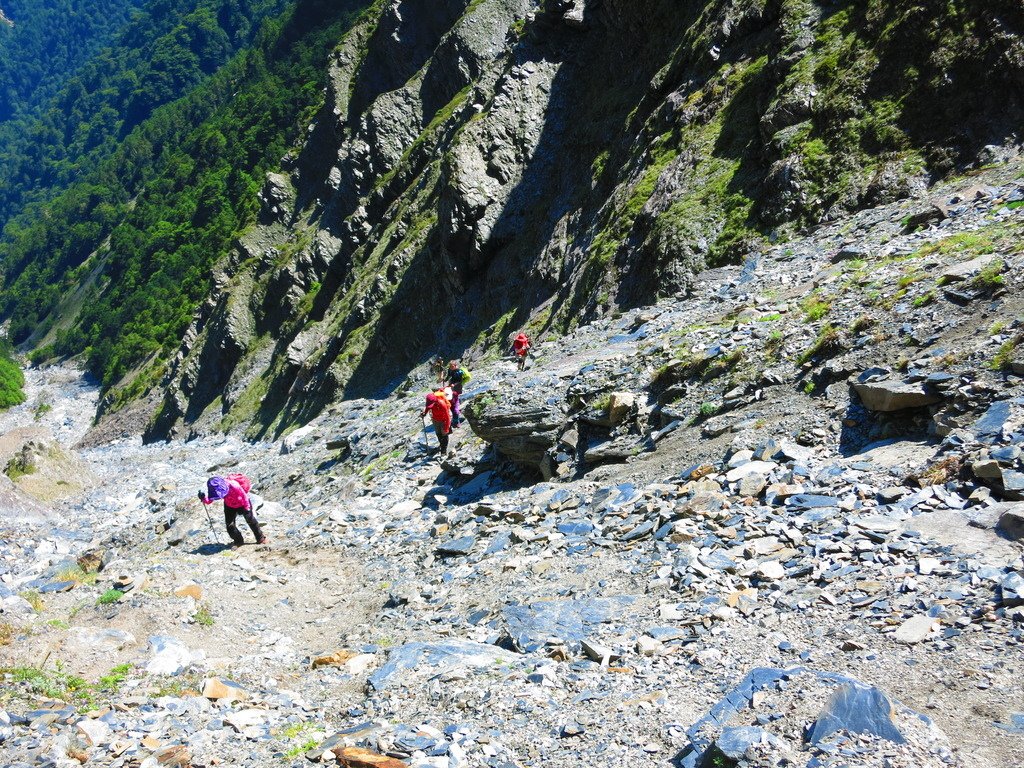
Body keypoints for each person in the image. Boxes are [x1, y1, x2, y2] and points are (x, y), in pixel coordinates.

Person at [199, 476, 266, 548]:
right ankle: (238, 541)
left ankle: (260, 538)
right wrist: (203, 498)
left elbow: (244, 497)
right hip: (229, 506)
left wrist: (247, 508)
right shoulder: (216, 489)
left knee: (250, 520)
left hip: (243, 504)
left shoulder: (234, 485)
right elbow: (210, 500)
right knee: (230, 526)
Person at [421, 388, 452, 454]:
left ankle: (443, 451)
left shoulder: (442, 404)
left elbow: (447, 417)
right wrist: (424, 413)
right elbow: (428, 407)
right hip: (435, 419)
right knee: (438, 433)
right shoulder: (431, 402)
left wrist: (446, 428)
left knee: (444, 434)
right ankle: (441, 445)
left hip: (444, 419)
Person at [445, 361, 471, 428]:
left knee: (454, 399)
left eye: (452, 366)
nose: (451, 368)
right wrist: (445, 380)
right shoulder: (450, 370)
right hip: (452, 386)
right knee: (453, 399)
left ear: (455, 365)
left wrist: (454, 385)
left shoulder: (459, 372)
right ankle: (456, 409)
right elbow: (449, 376)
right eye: (450, 366)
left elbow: (459, 381)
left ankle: (456, 420)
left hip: (457, 386)